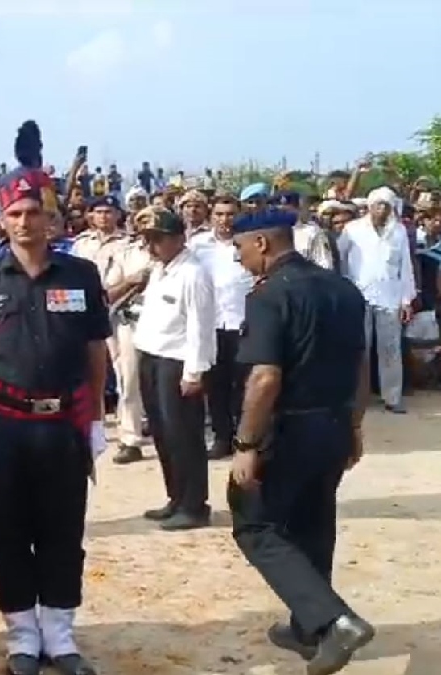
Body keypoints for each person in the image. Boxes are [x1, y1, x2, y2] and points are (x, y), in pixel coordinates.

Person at [0, 121, 108, 675]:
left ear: (50, 218)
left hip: (64, 423)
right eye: (13, 214)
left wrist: (98, 418)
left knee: (64, 527)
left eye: (33, 213)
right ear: (1, 220)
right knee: (8, 528)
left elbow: (95, 351)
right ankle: (22, 636)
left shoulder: (82, 275)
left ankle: (60, 637)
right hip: (3, 425)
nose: (24, 222)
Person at [226, 208, 375, 675]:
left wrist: (246, 443)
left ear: (263, 244)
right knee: (314, 523)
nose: (240, 259)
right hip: (332, 423)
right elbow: (360, 364)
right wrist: (353, 425)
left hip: (287, 427)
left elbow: (265, 377)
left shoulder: (270, 296)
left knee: (255, 525)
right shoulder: (343, 288)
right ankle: (309, 629)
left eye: (241, 249)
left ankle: (334, 621)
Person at [132, 206, 216, 531]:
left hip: (178, 361)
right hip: (152, 355)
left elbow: (201, 327)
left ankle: (194, 504)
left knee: (184, 435)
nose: (152, 246)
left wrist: (194, 372)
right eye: (148, 240)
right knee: (164, 434)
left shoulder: (193, 273)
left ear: (179, 238)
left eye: (159, 239)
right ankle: (176, 497)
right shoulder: (160, 269)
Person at [71, 195, 151, 464]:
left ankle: (130, 438)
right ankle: (87, 430)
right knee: (82, 376)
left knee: (127, 377)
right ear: (90, 216)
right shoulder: (80, 245)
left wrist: (110, 295)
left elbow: (138, 280)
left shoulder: (130, 245)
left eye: (109, 211)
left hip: (120, 316)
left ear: (118, 215)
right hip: (84, 317)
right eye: (98, 212)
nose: (104, 216)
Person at [337, 186, 416, 413]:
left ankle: (392, 397)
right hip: (358, 296)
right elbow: (340, 258)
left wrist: (406, 301)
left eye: (386, 205)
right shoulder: (353, 230)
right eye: (378, 204)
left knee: (390, 349)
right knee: (359, 347)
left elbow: (405, 268)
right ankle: (355, 396)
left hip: (389, 297)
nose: (381, 209)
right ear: (369, 207)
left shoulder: (398, 231)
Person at [189, 196, 253, 459]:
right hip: (210, 323)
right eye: (219, 214)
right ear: (211, 216)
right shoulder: (197, 246)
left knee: (243, 385)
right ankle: (221, 437)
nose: (225, 220)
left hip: (243, 322)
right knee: (215, 385)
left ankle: (244, 437)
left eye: (230, 214)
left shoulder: (250, 242)